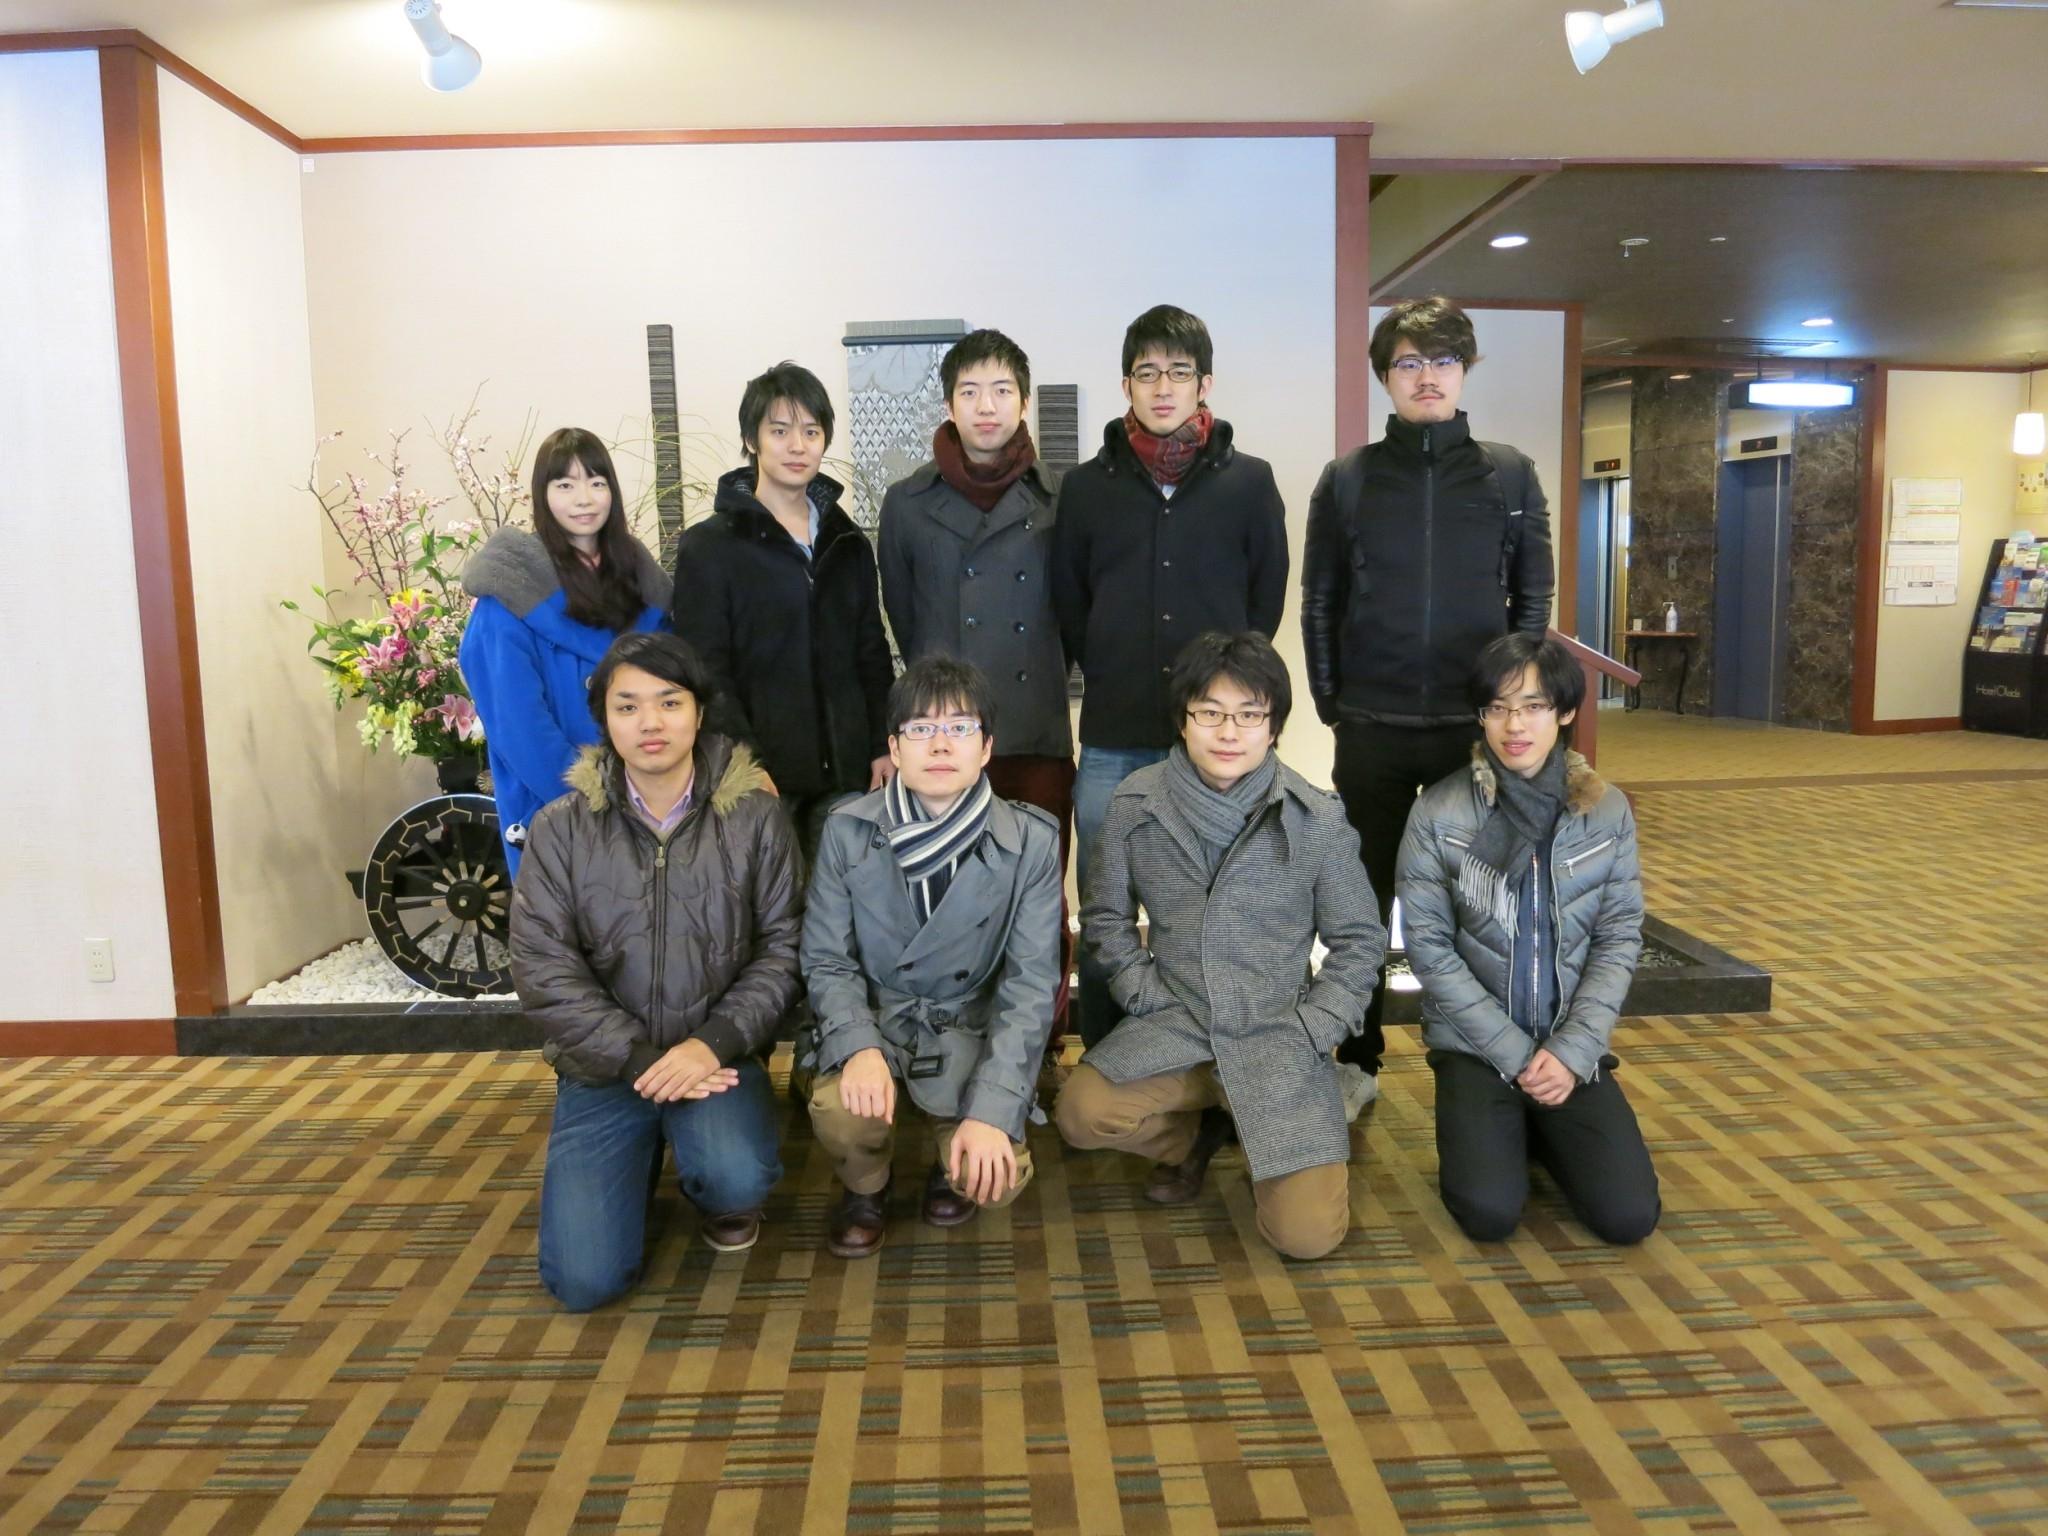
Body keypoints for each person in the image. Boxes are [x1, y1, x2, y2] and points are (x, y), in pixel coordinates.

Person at [1300, 296, 1555, 1120]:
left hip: (1469, 734)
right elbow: (1320, 599)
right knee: (1360, 906)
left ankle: (1478, 1060)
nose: (1427, 377)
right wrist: (1333, 702)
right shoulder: (1348, 479)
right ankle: (1357, 1056)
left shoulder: (1508, 475)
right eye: (1408, 363)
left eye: (1442, 361)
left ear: (1464, 370)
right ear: (1386, 377)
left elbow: (1532, 600)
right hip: (1371, 729)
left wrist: (1512, 707)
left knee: (1479, 904)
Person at [1054, 632, 1383, 1261]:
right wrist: (1145, 995)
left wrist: (1316, 1026)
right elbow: (1105, 917)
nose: (1229, 732)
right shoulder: (1137, 802)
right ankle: (1195, 1136)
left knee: (1305, 1239)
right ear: (1183, 721)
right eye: (1210, 712)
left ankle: (1269, 1122)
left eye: (1249, 714)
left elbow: (1360, 941)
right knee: (1083, 1113)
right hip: (1177, 1020)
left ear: (1273, 726)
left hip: (1278, 1031)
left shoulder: (1315, 817)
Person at [511, 632, 802, 1310]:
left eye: (669, 702)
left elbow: (785, 947)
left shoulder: (756, 818)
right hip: (607, 1067)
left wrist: (712, 1044)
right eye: (628, 706)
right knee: (583, 1283)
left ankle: (708, 1180)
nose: (650, 722)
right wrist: (639, 1059)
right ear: (604, 719)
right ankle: (635, 1156)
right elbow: (543, 967)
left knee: (736, 1176)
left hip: (716, 1058)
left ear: (699, 711)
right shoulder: (561, 827)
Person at [1051, 305, 1290, 1046]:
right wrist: (1110, 663)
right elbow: (1070, 601)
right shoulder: (1087, 487)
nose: (1162, 388)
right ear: (1126, 384)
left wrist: (1228, 695)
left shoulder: (1248, 482)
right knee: (1106, 905)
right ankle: (1108, 1052)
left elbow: (1266, 600)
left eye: (1178, 372)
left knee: (1217, 902)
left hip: (1216, 741)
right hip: (1115, 732)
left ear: (1204, 383)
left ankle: (1211, 1053)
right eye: (1147, 373)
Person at [1396, 631, 1659, 1246]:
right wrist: (1517, 1057)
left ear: (1564, 713)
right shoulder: (1439, 812)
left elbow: (1619, 936)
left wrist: (1573, 1051)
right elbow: (1429, 947)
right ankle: (1511, 1120)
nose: (1514, 725)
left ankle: (1541, 1123)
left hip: (1569, 1045)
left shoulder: (1607, 811)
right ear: (1481, 716)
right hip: (1476, 1048)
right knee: (1488, 1213)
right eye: (1498, 707)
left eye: (1534, 706)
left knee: (1627, 1217)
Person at [800, 656, 1063, 1257]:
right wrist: (858, 1046)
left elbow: (1029, 986)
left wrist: (993, 1110)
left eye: (960, 727)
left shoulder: (1032, 841)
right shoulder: (847, 830)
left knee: (993, 1178)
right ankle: (867, 1185)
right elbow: (828, 959)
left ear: (986, 747)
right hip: (881, 1021)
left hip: (967, 1029)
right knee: (841, 1111)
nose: (940, 744)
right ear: (894, 747)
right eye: (920, 728)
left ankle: (953, 1159)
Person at [669, 361, 896, 867]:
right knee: (768, 909)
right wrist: (744, 764)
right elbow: (705, 670)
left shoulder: (848, 542)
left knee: (846, 907)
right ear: (751, 440)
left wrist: (883, 743)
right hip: (761, 778)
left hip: (847, 777)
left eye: (811, 432)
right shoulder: (711, 547)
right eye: (780, 431)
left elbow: (871, 652)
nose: (798, 446)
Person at [460, 428, 670, 873]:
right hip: (557, 805)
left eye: (597, 482)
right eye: (565, 485)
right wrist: (590, 798)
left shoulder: (644, 586)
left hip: (651, 803)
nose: (584, 499)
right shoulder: (508, 596)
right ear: (542, 494)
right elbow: (518, 725)